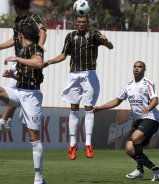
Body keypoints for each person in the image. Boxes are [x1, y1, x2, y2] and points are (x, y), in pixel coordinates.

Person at [44, 15, 113, 160]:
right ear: (75, 23)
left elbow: (110, 46)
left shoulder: (94, 33)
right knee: (74, 108)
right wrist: (49, 61)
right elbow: (63, 55)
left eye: (84, 22)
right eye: (79, 22)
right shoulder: (70, 36)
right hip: (73, 75)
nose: (81, 24)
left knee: (89, 108)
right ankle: (72, 144)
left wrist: (106, 42)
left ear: (87, 23)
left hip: (89, 74)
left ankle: (88, 144)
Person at [93, 61, 159, 181]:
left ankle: (140, 170)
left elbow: (155, 100)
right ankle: (156, 170)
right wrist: (100, 108)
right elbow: (116, 101)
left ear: (144, 69)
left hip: (151, 118)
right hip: (138, 120)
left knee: (135, 138)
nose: (137, 69)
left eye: (139, 67)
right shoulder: (128, 85)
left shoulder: (148, 82)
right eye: (135, 67)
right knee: (129, 149)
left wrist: (148, 108)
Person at [1, 24, 45, 184]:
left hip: (31, 96)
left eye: (18, 35)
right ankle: (3, 122)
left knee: (34, 137)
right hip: (18, 90)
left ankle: (39, 179)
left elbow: (38, 63)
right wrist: (12, 75)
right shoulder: (22, 51)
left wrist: (16, 59)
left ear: (21, 36)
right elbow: (25, 75)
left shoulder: (36, 48)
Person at [0, 0, 46, 132]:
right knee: (14, 89)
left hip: (30, 59)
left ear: (16, 6)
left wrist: (40, 45)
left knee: (14, 88)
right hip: (18, 60)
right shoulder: (17, 21)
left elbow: (43, 32)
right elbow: (15, 40)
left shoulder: (34, 17)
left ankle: (4, 121)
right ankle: (6, 120)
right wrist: (1, 46)